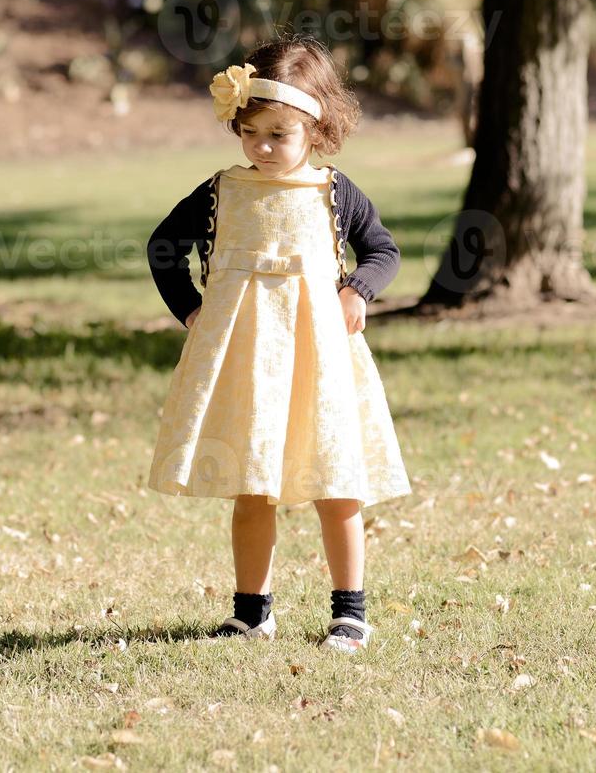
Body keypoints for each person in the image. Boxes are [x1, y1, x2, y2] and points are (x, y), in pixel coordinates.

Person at [145, 34, 411, 654]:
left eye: (278, 135)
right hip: (247, 363)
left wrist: (358, 291)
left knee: (335, 479)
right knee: (253, 480)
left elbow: (384, 250)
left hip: (320, 361)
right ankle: (252, 611)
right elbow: (163, 247)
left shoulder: (333, 192)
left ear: (315, 130)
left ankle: (350, 612)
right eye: (251, 132)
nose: (262, 147)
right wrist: (190, 309)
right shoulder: (221, 192)